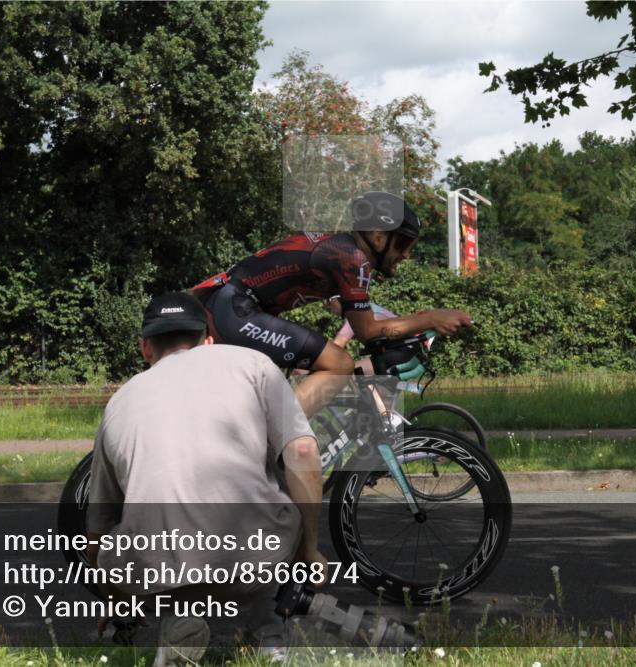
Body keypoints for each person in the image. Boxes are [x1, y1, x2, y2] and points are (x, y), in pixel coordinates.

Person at [86, 292, 324, 665]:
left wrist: (116, 601)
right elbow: (304, 453)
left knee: (143, 543)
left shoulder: (119, 401)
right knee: (278, 487)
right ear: (209, 339)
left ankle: (178, 622)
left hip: (153, 577)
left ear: (145, 348)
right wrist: (310, 549)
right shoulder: (253, 364)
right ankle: (268, 641)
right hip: (251, 564)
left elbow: (98, 528)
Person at [191, 191, 473, 417]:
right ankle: (279, 443)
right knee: (338, 363)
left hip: (231, 304)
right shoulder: (350, 259)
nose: (407, 255)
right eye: (404, 245)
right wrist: (432, 318)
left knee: (278, 387)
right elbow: (368, 331)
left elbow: (358, 318)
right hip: (236, 308)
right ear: (378, 236)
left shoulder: (342, 250)